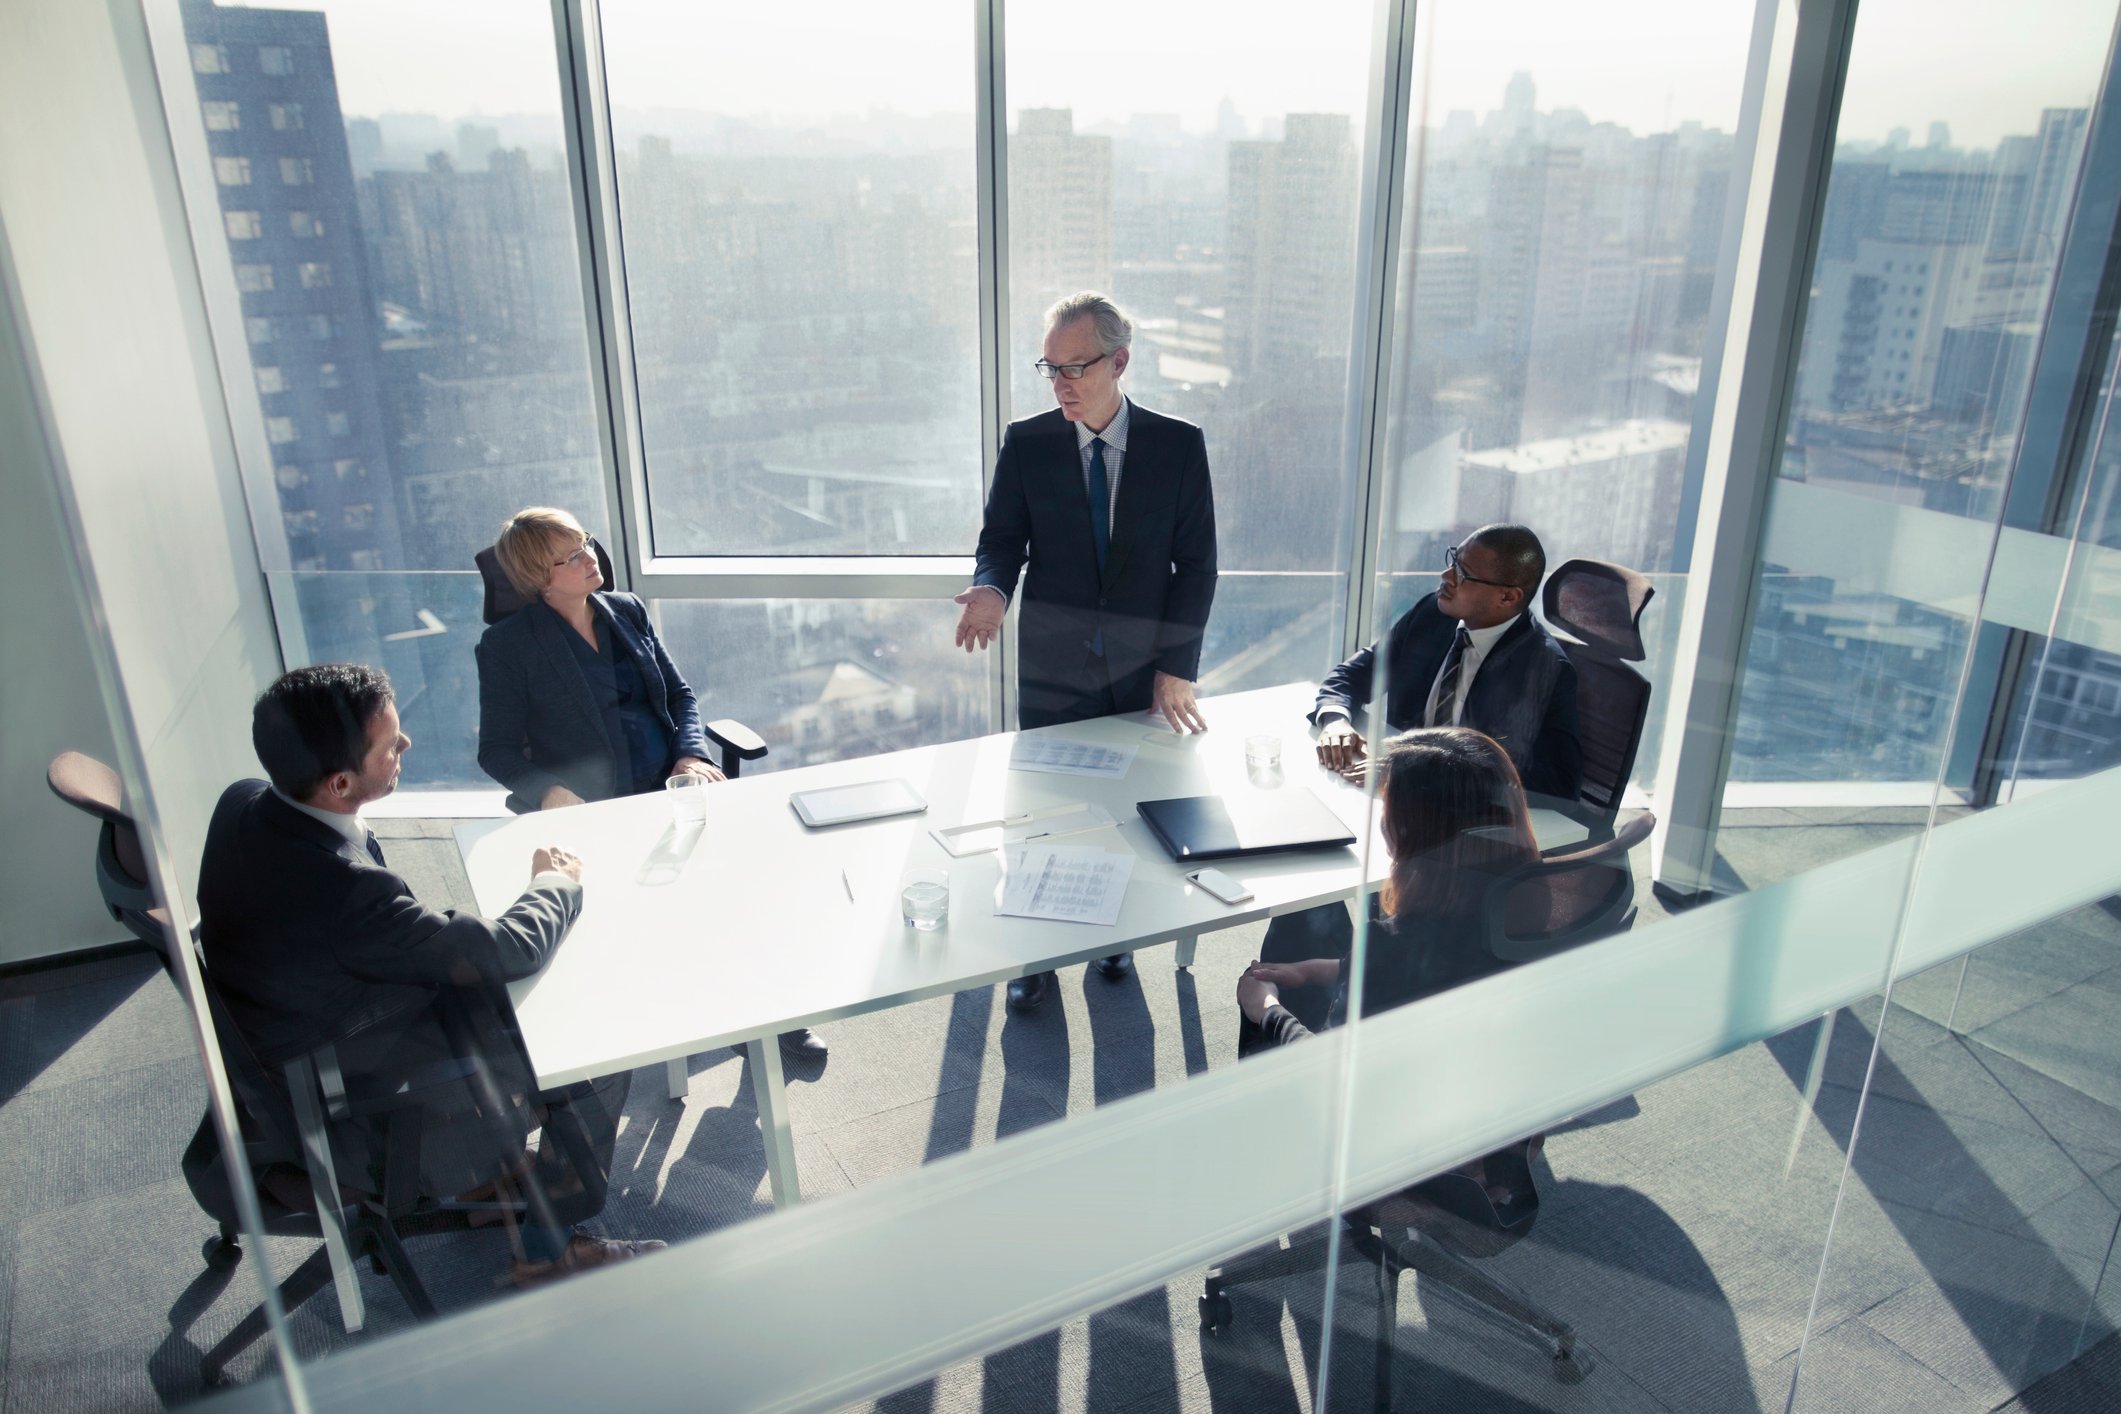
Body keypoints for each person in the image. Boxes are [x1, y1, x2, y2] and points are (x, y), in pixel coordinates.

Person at [197, 664, 662, 1287]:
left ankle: (489, 1179)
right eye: (390, 744)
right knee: (593, 1051)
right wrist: (555, 881)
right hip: (365, 1093)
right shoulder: (344, 891)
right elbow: (506, 949)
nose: (407, 745)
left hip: (296, 1044)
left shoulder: (244, 800)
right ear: (339, 782)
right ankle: (546, 1252)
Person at [475, 507, 826, 1061]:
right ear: (541, 580)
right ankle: (740, 1016)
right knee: (694, 902)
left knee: (751, 875)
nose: (592, 557)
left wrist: (690, 753)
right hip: (599, 810)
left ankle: (769, 1008)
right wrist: (547, 792)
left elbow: (681, 697)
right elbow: (494, 750)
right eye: (572, 556)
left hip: (672, 790)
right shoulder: (508, 647)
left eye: (586, 543)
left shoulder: (626, 611)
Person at [952, 292, 1219, 1013]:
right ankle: (1034, 955)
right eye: (1051, 368)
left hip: (1142, 665)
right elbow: (1002, 540)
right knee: (1041, 805)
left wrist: (1177, 667)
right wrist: (991, 591)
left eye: (1076, 366)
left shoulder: (1176, 444)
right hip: (1051, 659)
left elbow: (1196, 567)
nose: (1061, 382)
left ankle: (1114, 939)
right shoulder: (1029, 440)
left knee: (1127, 805)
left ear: (1119, 361)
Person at [1236, 726, 1537, 1049]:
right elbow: (1437, 959)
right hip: (1479, 1065)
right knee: (1310, 913)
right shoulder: (1539, 909)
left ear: (1411, 834)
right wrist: (1308, 971)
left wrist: (1266, 1009)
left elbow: (1321, 1069)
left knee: (1269, 966)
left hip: (1378, 1087)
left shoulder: (1389, 949)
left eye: (1387, 806)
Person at [1312, 522, 1580, 805]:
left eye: (1463, 574)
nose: (1446, 576)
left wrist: (1418, 770)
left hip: (1466, 815)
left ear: (1508, 596)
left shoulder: (1544, 667)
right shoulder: (1433, 614)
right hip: (1392, 797)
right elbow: (1356, 672)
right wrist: (1335, 720)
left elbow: (1558, 783)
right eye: (1454, 561)